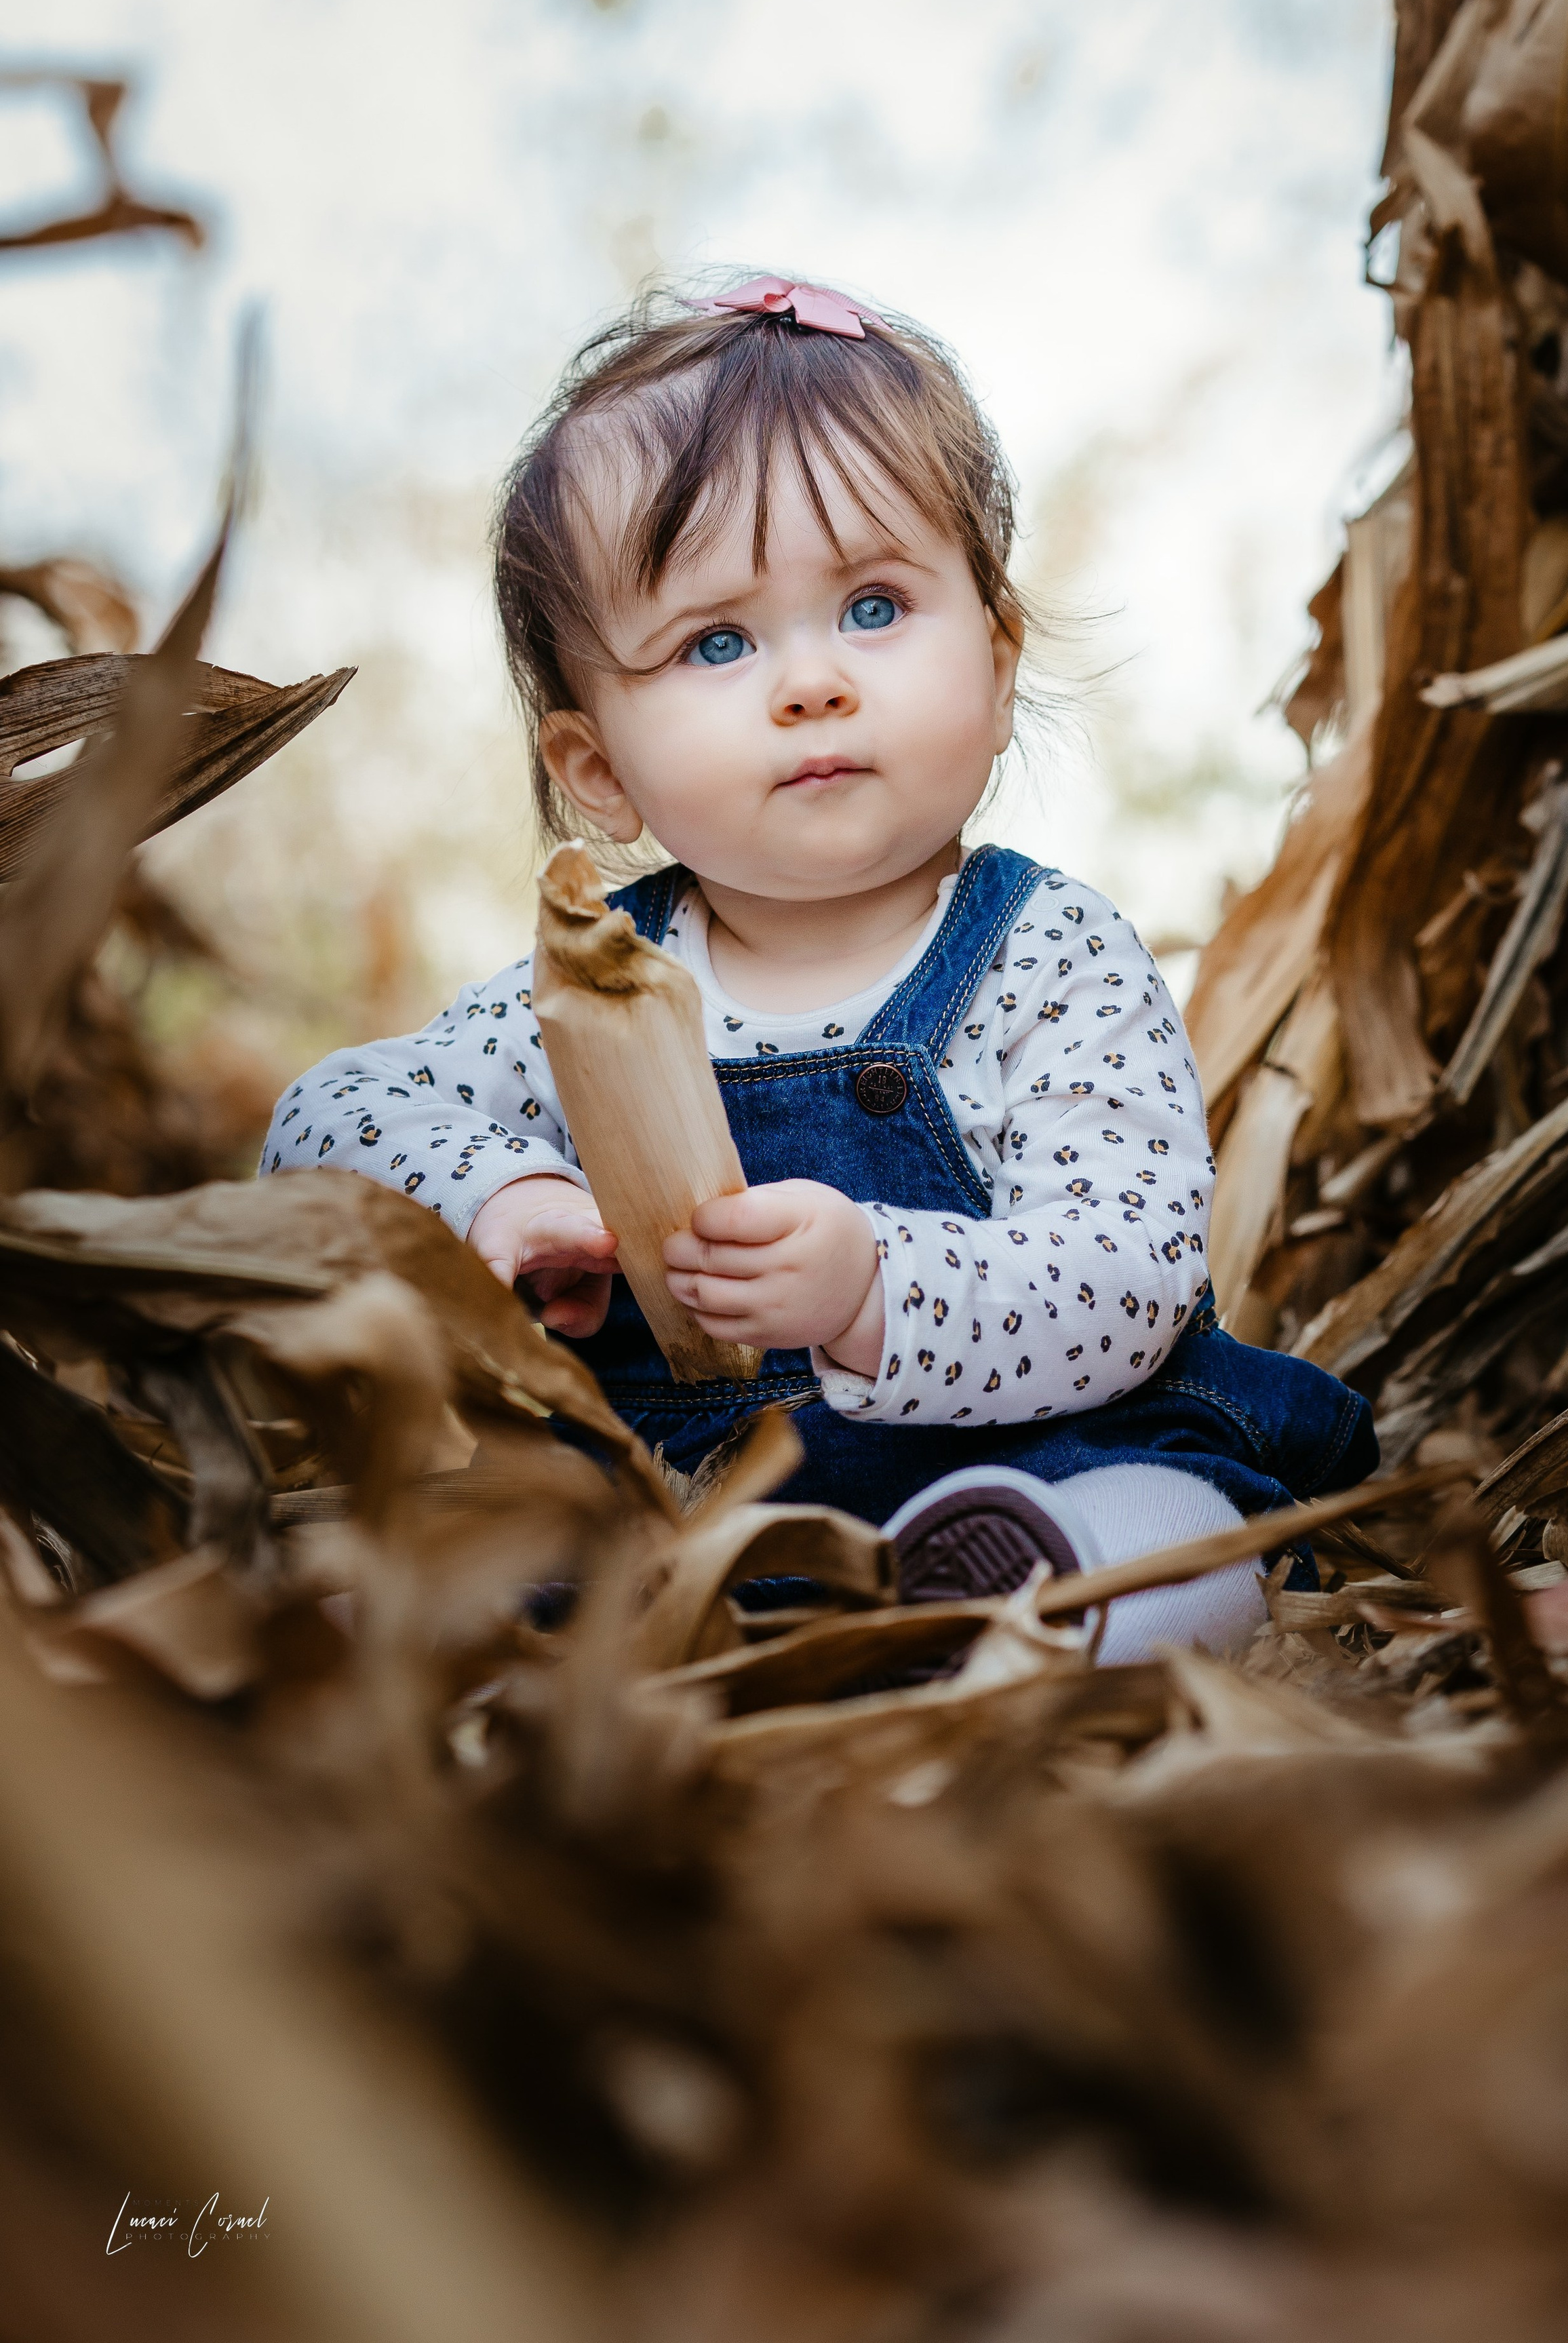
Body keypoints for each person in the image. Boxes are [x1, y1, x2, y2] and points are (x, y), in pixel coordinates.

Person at [263, 273, 1374, 1657]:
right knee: (436, 1551)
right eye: (717, 641)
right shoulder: (595, 989)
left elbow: (1125, 1277)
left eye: (871, 605)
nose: (811, 681)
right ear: (597, 769)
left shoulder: (1050, 956)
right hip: (679, 1515)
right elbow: (321, 1129)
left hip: (1039, 1463)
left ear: (997, 653)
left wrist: (873, 1287)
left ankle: (1028, 1608)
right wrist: (501, 1194)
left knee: (1172, 1530)